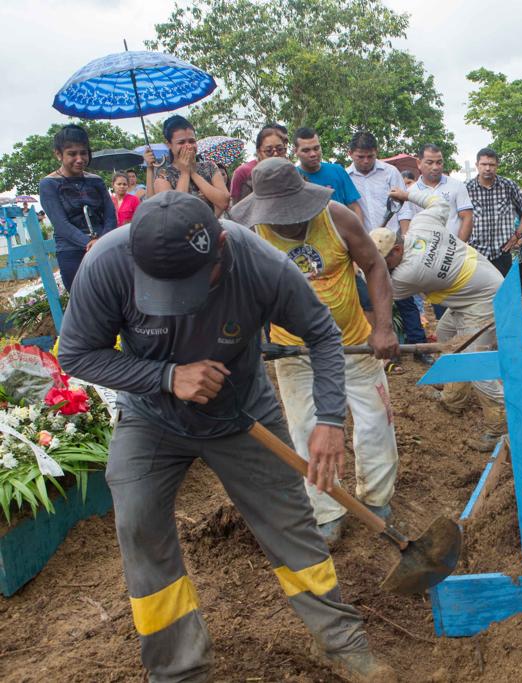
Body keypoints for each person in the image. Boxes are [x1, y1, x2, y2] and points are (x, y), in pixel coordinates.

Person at [57, 191, 395, 683]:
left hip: (241, 414)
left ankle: (342, 643)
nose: (179, 304)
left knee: (291, 524)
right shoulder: (108, 262)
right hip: (152, 419)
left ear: (220, 246)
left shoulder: (262, 264)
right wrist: (169, 377)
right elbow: (77, 355)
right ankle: (179, 670)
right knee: (139, 526)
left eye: (194, 283)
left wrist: (328, 421)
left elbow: (322, 334)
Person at [231, 157, 400, 541]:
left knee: (375, 424)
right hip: (295, 353)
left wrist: (384, 328)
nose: (287, 222)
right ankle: (326, 509)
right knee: (308, 432)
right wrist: (251, 339)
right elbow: (240, 289)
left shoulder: (338, 218)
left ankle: (376, 498)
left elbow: (374, 265)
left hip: (353, 343)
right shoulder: (249, 234)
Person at [374, 188, 506, 452]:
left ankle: (501, 423)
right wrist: (407, 194)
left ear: (398, 249)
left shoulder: (406, 275)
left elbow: (376, 289)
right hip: (475, 286)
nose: (377, 266)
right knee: (446, 339)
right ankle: (454, 397)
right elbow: (438, 201)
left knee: (475, 364)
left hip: (484, 300)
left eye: (380, 261)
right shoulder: (422, 225)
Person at [346, 131, 432, 363]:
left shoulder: (389, 172)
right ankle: (386, 350)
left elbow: (402, 206)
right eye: (360, 157)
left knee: (405, 296)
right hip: (363, 245)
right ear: (351, 154)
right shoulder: (346, 176)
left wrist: (405, 234)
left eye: (370, 157)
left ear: (376, 154)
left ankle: (418, 347)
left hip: (392, 242)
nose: (365, 161)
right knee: (373, 299)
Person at [38, 124, 116, 289]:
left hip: (104, 246)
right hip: (71, 251)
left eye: (84, 153)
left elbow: (110, 215)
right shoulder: (49, 184)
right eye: (72, 154)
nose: (80, 159)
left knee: (114, 298)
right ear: (58, 154)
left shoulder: (96, 181)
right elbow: (61, 224)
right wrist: (89, 243)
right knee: (83, 303)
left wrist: (102, 241)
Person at [465, 148, 522, 294]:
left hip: (503, 251)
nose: (488, 168)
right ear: (477, 165)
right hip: (477, 252)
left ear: (497, 165)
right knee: (480, 296)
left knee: (506, 294)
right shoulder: (467, 188)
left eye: (492, 164)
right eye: (484, 164)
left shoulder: (507, 186)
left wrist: (517, 235)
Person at [153, 115, 230, 216]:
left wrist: (192, 172)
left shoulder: (210, 167)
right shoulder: (163, 176)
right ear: (169, 145)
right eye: (181, 142)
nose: (188, 146)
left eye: (192, 141)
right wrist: (184, 173)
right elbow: (175, 211)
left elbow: (224, 202)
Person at [396, 144, 473, 240]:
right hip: (424, 251)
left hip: (455, 250)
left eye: (439, 162)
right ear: (419, 163)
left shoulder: (457, 186)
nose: (435, 167)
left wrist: (459, 247)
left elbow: (467, 217)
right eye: (430, 163)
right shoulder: (410, 193)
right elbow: (407, 224)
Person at [294, 127, 363, 225]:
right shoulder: (292, 178)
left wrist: (358, 235)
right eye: (306, 150)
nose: (313, 154)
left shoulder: (337, 170)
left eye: (316, 148)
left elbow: (355, 208)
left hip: (342, 237)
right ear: (295, 151)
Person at [230, 124, 290, 205]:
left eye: (280, 149)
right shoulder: (242, 172)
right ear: (259, 152)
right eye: (269, 151)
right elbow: (236, 207)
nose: (275, 154)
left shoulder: (289, 171)